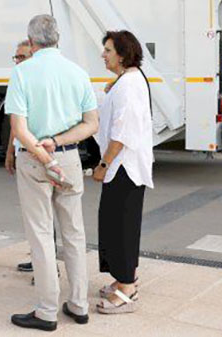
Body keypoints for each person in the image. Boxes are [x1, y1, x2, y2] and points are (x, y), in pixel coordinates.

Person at [5, 14, 99, 331]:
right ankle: (78, 304)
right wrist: (57, 144)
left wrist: (43, 155)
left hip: (34, 161)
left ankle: (46, 310)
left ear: (31, 42)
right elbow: (91, 124)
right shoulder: (78, 73)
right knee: (74, 233)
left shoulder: (22, 72)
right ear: (58, 39)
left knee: (42, 235)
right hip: (69, 157)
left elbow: (18, 128)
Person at [91, 30, 154, 315]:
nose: (103, 55)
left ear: (122, 54)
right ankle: (123, 279)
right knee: (115, 225)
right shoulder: (127, 80)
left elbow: (122, 132)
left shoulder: (129, 84)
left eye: (107, 50)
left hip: (123, 168)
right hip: (122, 168)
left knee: (123, 228)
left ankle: (127, 288)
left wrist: (103, 165)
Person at [5, 40, 37, 274]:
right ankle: (38, 259)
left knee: (42, 218)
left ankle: (46, 267)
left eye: (22, 57)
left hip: (38, 154)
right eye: (16, 57)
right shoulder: (19, 79)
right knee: (33, 217)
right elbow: (15, 123)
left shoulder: (35, 81)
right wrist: (9, 152)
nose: (18, 61)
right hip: (23, 151)